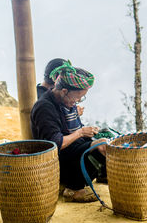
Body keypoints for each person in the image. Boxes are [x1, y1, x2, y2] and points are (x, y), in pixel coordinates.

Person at [31, 60, 107, 202]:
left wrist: (89, 132)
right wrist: (81, 133)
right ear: (64, 91)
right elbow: (55, 144)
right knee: (101, 146)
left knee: (105, 139)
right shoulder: (45, 107)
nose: (78, 101)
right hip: (58, 163)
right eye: (77, 97)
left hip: (71, 152)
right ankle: (73, 189)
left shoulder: (63, 100)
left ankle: (98, 175)